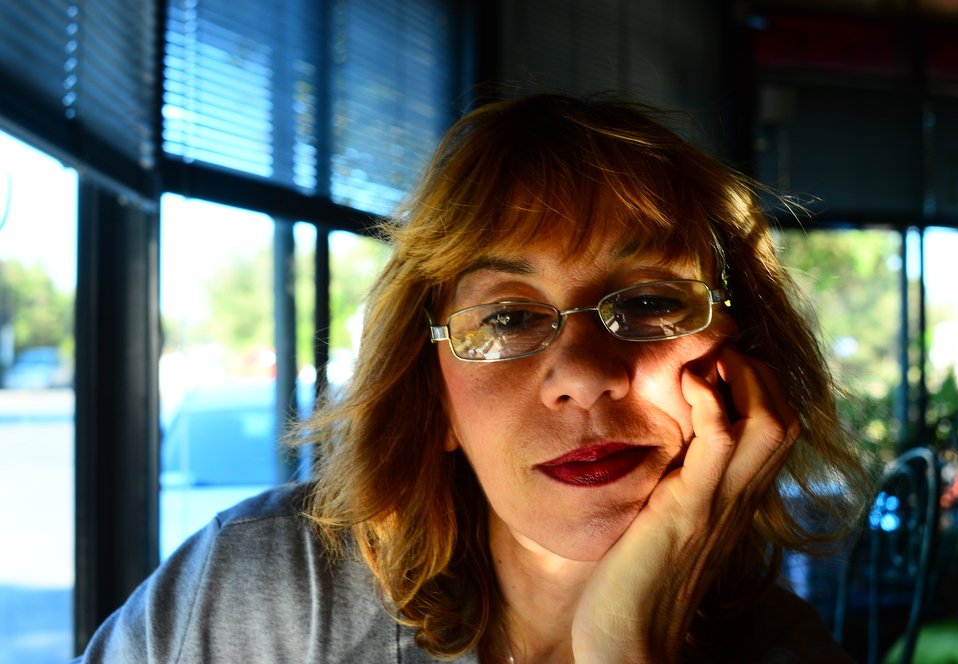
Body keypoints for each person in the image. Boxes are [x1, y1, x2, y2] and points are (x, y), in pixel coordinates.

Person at [76, 93, 871, 663]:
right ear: (437, 401)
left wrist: (624, 646)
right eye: (508, 317)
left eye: (650, 301)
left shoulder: (787, 650)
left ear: (743, 358)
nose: (582, 377)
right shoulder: (264, 598)